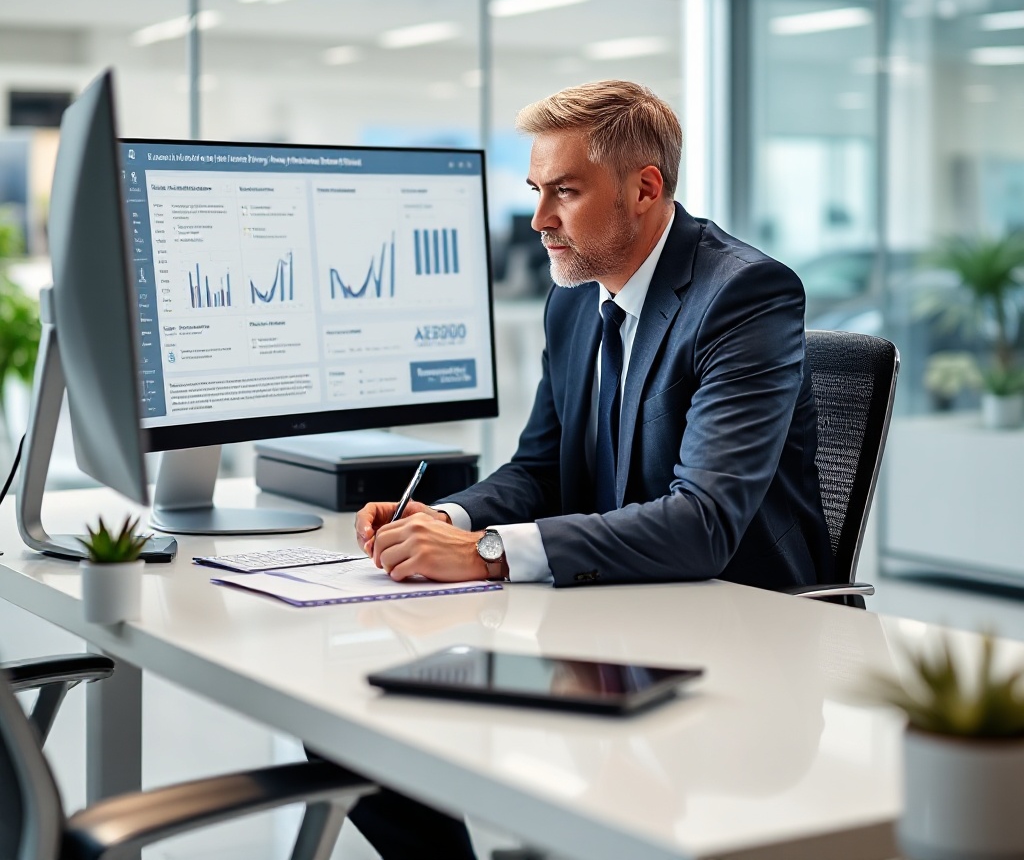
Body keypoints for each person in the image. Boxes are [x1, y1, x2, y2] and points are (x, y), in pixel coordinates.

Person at [342, 79, 833, 858]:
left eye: (564, 192)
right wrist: (450, 519)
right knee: (358, 726)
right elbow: (540, 467)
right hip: (609, 619)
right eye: (537, 191)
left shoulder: (745, 296)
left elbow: (702, 524)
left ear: (645, 189)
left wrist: (489, 554)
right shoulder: (574, 299)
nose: (539, 222)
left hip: (731, 643)